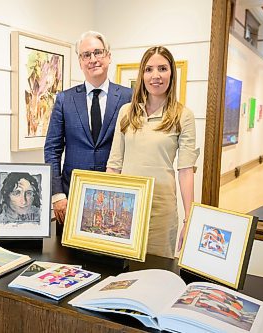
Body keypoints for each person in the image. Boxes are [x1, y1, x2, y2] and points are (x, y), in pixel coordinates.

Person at [106, 46, 200, 258]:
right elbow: (113, 166)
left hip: (161, 211)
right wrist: (108, 212)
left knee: (158, 275)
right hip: (125, 211)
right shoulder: (126, 112)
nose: (155, 76)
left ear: (171, 74)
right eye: (149, 69)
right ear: (142, 75)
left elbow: (186, 170)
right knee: (123, 275)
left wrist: (189, 218)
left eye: (162, 68)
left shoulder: (183, 116)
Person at [44, 31, 132, 225]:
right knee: (67, 254)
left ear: (108, 56)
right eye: (86, 55)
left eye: (98, 52)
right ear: (80, 62)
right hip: (72, 197)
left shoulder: (129, 97)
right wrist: (57, 194)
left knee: (112, 254)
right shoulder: (64, 99)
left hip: (116, 198)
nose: (93, 59)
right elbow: (52, 149)